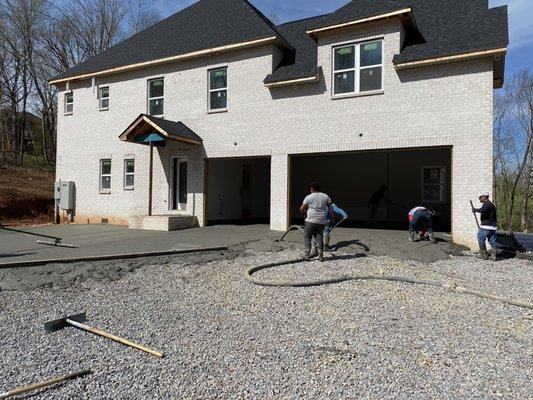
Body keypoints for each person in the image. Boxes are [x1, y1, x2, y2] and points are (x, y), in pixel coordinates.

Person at [300, 182, 333, 262]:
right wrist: (329, 217)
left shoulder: (308, 197)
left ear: (312, 189)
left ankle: (307, 254)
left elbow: (301, 209)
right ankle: (321, 256)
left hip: (310, 220)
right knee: (319, 237)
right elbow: (330, 208)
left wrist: (304, 213)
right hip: (321, 221)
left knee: (307, 236)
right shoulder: (325, 196)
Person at [472, 193, 500, 260]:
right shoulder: (491, 204)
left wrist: (475, 209)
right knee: (492, 240)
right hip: (492, 227)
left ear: (484, 197)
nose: (479, 199)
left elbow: (483, 210)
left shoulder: (487, 204)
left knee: (480, 238)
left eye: (480, 197)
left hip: (486, 226)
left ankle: (483, 255)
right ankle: (494, 255)